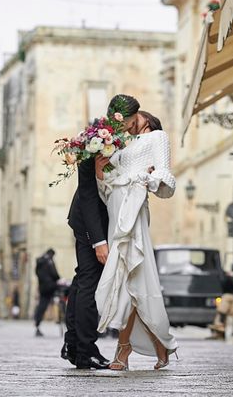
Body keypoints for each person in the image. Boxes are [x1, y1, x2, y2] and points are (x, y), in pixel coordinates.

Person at [61, 94, 141, 370]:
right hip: (88, 222)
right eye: (132, 121)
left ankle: (73, 343)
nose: (133, 126)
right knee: (88, 282)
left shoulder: (112, 138)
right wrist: (99, 241)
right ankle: (84, 350)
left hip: (99, 221)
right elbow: (87, 193)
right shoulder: (96, 140)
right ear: (123, 118)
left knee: (81, 280)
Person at [95, 110, 178, 371]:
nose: (128, 123)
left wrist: (147, 179)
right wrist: (100, 172)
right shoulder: (124, 143)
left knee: (131, 279)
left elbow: (166, 177)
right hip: (115, 209)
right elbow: (109, 185)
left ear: (146, 118)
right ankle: (159, 344)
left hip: (134, 210)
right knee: (127, 281)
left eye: (134, 117)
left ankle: (124, 348)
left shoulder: (158, 137)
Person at [34, 248, 60, 336]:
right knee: (54, 302)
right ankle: (59, 319)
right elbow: (54, 273)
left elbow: (37, 273)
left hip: (42, 287)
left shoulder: (40, 261)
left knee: (42, 305)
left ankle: (37, 323)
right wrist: (58, 279)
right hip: (51, 287)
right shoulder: (49, 261)